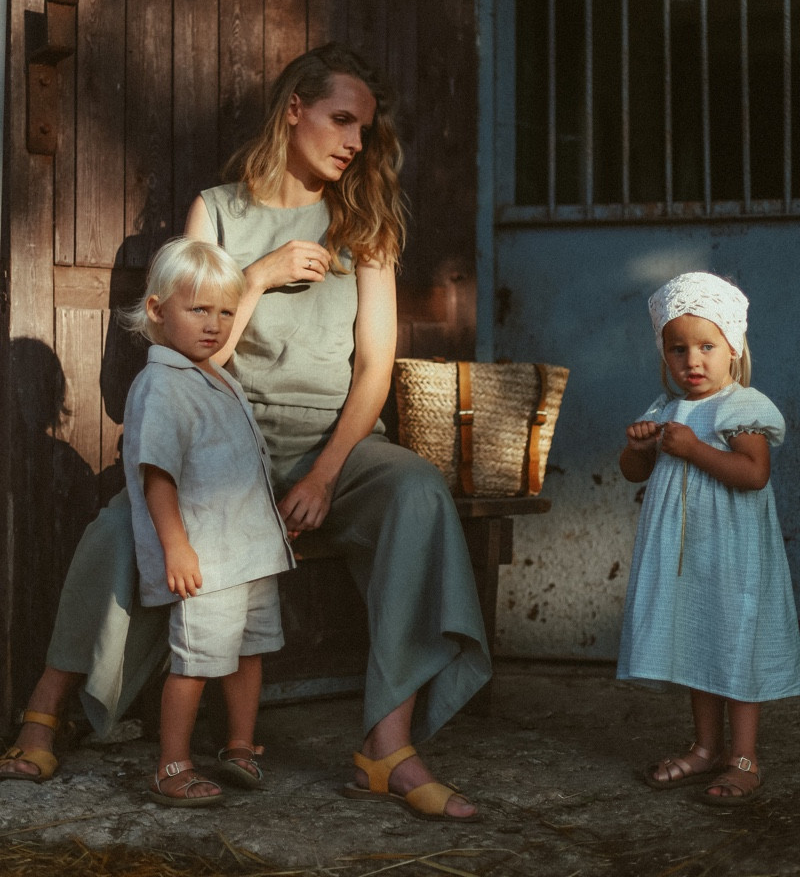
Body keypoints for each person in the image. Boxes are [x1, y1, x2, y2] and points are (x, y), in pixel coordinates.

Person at [1, 43, 490, 821]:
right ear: (294, 108)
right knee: (120, 526)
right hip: (225, 443)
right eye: (341, 119)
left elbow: (374, 369)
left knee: (418, 492)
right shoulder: (218, 211)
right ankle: (45, 711)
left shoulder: (365, 222)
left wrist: (325, 474)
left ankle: (388, 747)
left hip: (334, 445)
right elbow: (194, 355)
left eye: (363, 129)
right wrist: (257, 277)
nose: (354, 142)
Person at [119, 237, 294, 806]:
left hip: (249, 554)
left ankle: (240, 745)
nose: (215, 325)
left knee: (249, 651)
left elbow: (236, 466)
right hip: (210, 562)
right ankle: (172, 765)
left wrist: (267, 523)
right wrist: (177, 547)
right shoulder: (163, 385)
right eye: (199, 310)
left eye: (225, 311)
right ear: (156, 309)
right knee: (195, 662)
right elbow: (158, 475)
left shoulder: (216, 376)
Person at [616, 270, 800, 805]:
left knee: (736, 644)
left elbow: (754, 473)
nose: (692, 361)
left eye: (706, 346)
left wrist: (694, 449)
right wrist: (637, 448)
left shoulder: (740, 407)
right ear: (664, 354)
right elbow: (633, 473)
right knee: (700, 641)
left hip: (734, 556)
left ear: (733, 347)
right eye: (679, 349)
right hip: (688, 558)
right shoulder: (665, 409)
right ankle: (705, 747)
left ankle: (744, 758)